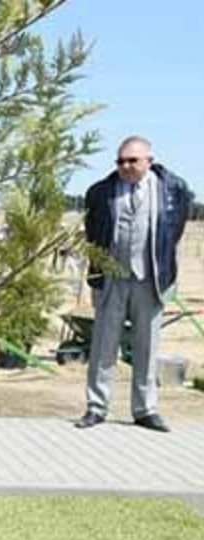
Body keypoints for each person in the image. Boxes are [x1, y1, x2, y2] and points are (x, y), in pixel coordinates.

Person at [76, 136, 194, 432]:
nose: (125, 166)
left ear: (148, 161)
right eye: (120, 161)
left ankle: (145, 409)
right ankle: (96, 407)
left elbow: (174, 232)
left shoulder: (173, 189)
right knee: (103, 345)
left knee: (147, 346)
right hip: (112, 277)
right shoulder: (101, 192)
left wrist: (166, 273)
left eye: (132, 161)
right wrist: (96, 276)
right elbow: (93, 235)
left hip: (150, 279)